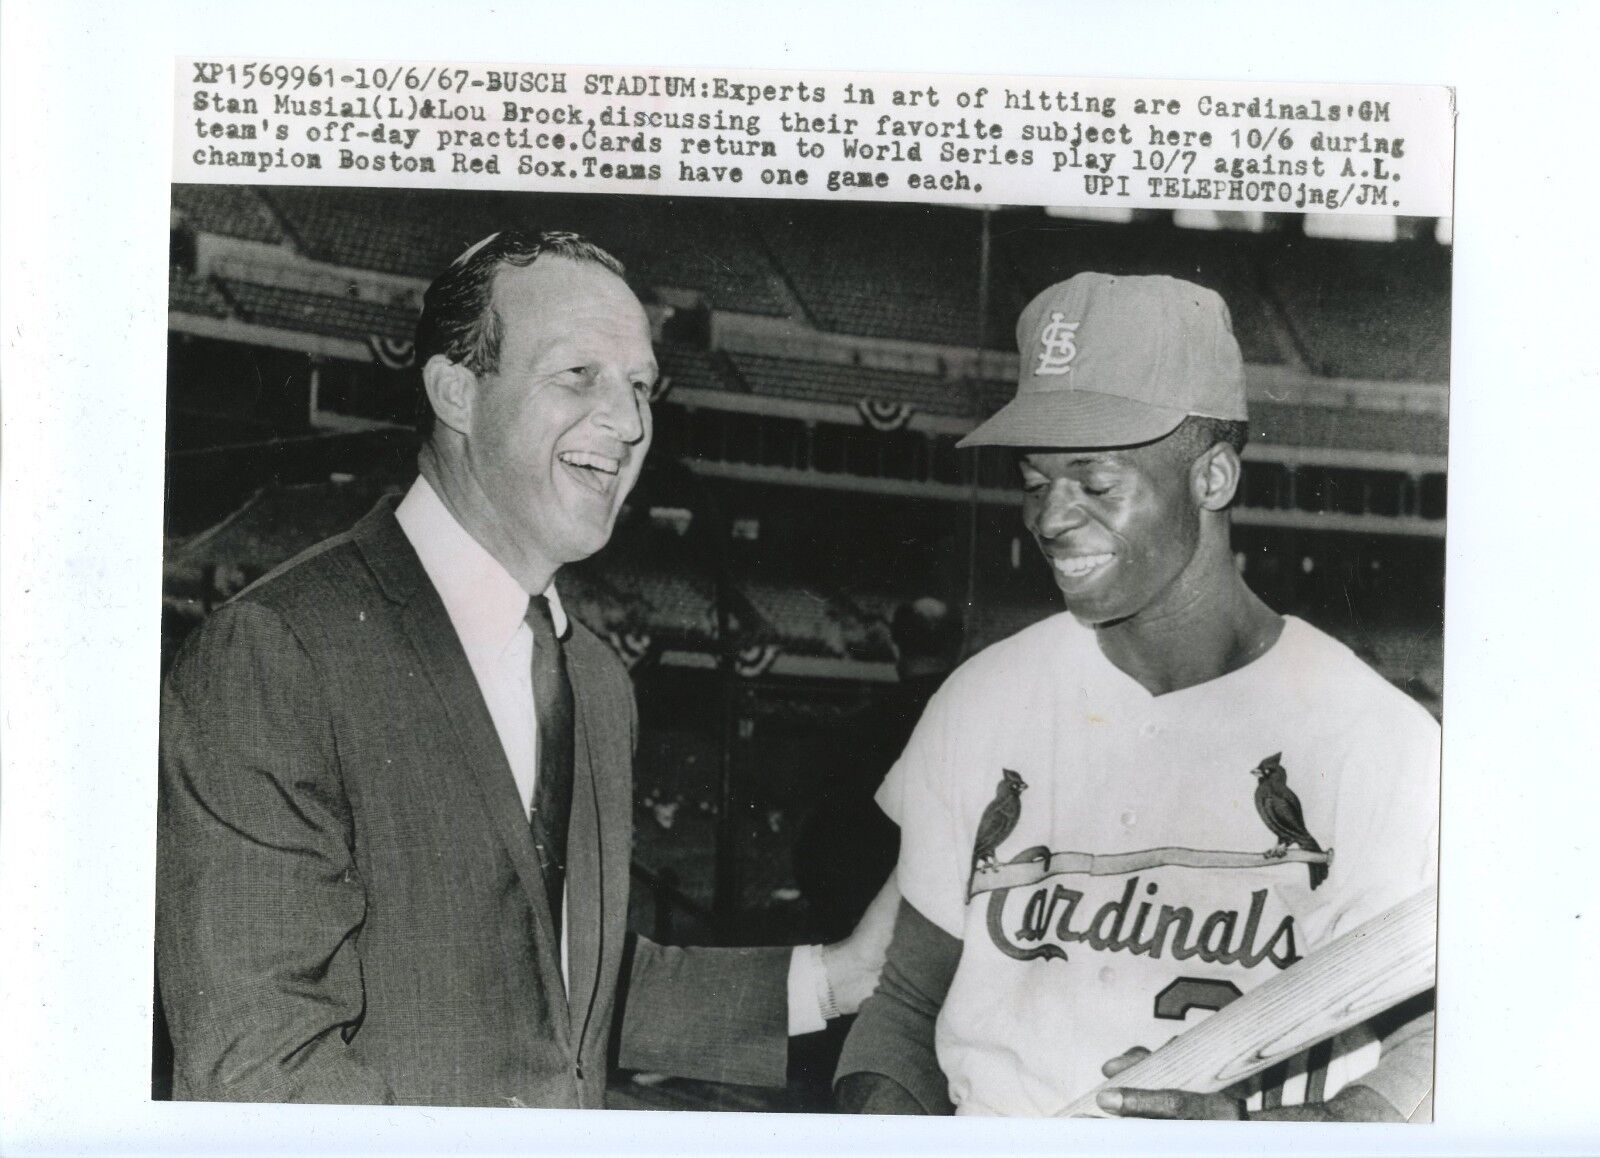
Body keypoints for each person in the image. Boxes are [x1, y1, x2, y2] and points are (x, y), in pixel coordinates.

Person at [157, 228, 894, 1108]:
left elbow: (561, 982)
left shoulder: (596, 681)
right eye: (577, 375)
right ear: (456, 393)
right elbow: (260, 1073)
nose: (626, 424)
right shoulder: (278, 652)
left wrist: (839, 978)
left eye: (638, 388)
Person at [835, 273, 1438, 1120]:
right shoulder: (981, 702)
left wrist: (1322, 1128)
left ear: (1213, 476)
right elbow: (902, 1007)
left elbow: (1446, 1035)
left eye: (1094, 481)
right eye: (1035, 480)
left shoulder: (1379, 740)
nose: (1050, 518)